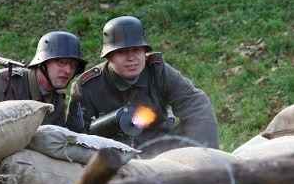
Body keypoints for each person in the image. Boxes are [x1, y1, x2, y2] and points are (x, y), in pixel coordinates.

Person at [65, 15, 220, 157]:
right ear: (109, 57)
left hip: (160, 150)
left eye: (137, 50)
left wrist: (207, 156)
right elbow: (76, 137)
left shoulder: (158, 71)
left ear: (144, 52)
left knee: (196, 121)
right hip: (112, 157)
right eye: (122, 52)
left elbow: (195, 104)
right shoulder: (88, 86)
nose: (131, 58)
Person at [0, 31, 86, 126]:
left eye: (73, 65)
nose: (68, 70)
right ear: (42, 63)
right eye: (62, 61)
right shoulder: (3, 84)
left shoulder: (57, 100)